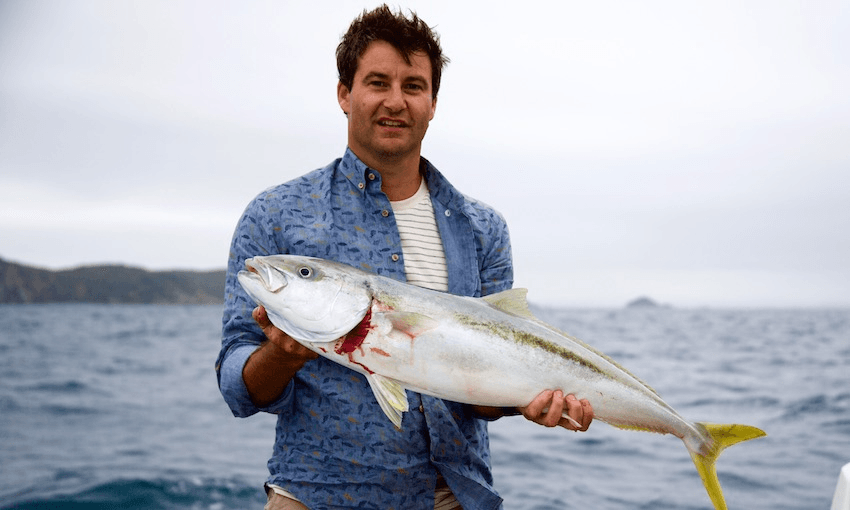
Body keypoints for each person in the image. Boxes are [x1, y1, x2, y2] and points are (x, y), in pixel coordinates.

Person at [216, 5, 593, 509]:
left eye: (413, 86)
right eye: (377, 82)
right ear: (344, 94)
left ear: (433, 102)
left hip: (453, 497)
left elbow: (480, 394)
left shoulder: (483, 229)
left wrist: (526, 398)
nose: (396, 101)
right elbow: (237, 385)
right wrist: (281, 356)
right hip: (317, 497)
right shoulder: (277, 215)